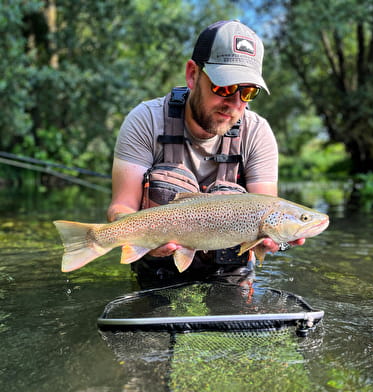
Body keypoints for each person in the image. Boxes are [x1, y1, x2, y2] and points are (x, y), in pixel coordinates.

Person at [107, 20, 304, 285]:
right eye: (223, 87)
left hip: (229, 267)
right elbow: (122, 208)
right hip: (158, 260)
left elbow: (266, 209)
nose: (234, 104)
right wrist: (139, 238)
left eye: (247, 92)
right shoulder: (145, 121)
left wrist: (275, 242)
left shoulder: (258, 133)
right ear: (192, 75)